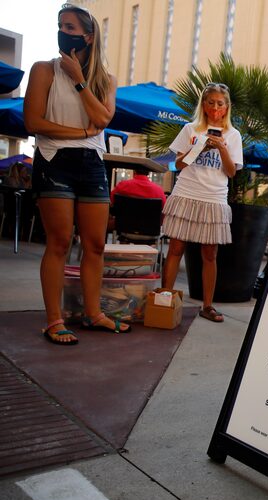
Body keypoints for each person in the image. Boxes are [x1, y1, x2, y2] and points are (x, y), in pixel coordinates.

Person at [23, 3, 122, 345]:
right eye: (60, 26)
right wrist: (80, 134)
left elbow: (104, 121)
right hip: (54, 160)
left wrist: (80, 82)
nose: (63, 33)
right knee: (60, 241)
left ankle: (93, 314)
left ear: (88, 36)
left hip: (92, 163)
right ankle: (54, 320)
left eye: (69, 27)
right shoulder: (43, 70)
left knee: (95, 244)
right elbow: (34, 123)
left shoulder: (104, 80)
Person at [161, 83, 243, 323]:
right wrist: (199, 146)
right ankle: (165, 298)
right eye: (211, 102)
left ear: (227, 106)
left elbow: (231, 172)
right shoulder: (191, 129)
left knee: (210, 254)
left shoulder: (233, 135)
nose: (215, 107)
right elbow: (177, 165)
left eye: (220, 103)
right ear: (204, 105)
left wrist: (222, 149)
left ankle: (207, 305)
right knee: (176, 248)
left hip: (214, 197)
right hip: (187, 192)